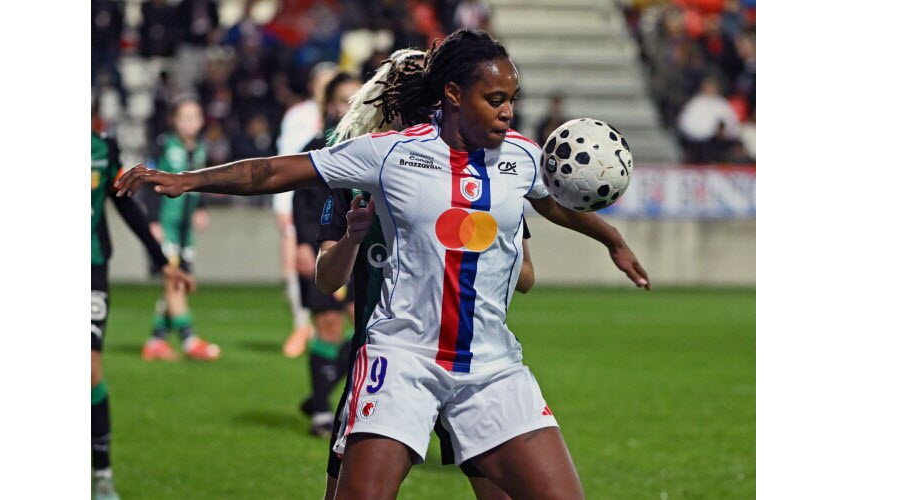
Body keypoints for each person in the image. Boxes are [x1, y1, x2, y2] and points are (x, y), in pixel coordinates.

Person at [116, 29, 650, 500]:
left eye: (512, 98)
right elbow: (274, 171)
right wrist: (190, 180)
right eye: (495, 99)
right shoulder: (390, 152)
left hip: (491, 367)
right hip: (402, 359)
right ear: (453, 94)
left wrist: (611, 238)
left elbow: (554, 202)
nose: (508, 111)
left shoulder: (521, 156)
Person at [314, 48, 534, 500]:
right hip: (387, 361)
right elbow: (326, 278)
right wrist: (354, 239)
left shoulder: (480, 174)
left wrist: (467, 238)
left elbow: (525, 272)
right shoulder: (359, 172)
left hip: (467, 360)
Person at [91, 129, 195, 500]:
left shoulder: (103, 146)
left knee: (89, 371)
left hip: (91, 267)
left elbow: (122, 202)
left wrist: (161, 260)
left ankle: (101, 473)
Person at [293, 72, 363, 437]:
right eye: (342, 99)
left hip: (361, 252)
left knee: (366, 325)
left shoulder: (373, 147)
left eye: (357, 98)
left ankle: (321, 392)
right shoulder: (317, 147)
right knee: (329, 325)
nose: (349, 106)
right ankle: (321, 410)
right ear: (329, 105)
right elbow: (301, 200)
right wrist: (304, 244)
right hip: (323, 249)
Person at [141, 97, 221, 361]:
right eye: (184, 117)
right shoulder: (165, 145)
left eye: (194, 117)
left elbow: (203, 182)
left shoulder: (200, 147)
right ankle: (189, 339)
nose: (190, 123)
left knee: (180, 283)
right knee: (175, 279)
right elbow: (148, 182)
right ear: (174, 120)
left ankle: (156, 340)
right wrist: (152, 221)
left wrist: (201, 208)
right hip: (166, 225)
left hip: (186, 230)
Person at [275, 62, 338, 358]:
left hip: (335, 209)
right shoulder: (299, 116)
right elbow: (287, 161)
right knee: (298, 265)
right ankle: (301, 324)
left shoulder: (353, 118)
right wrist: (284, 205)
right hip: (302, 203)